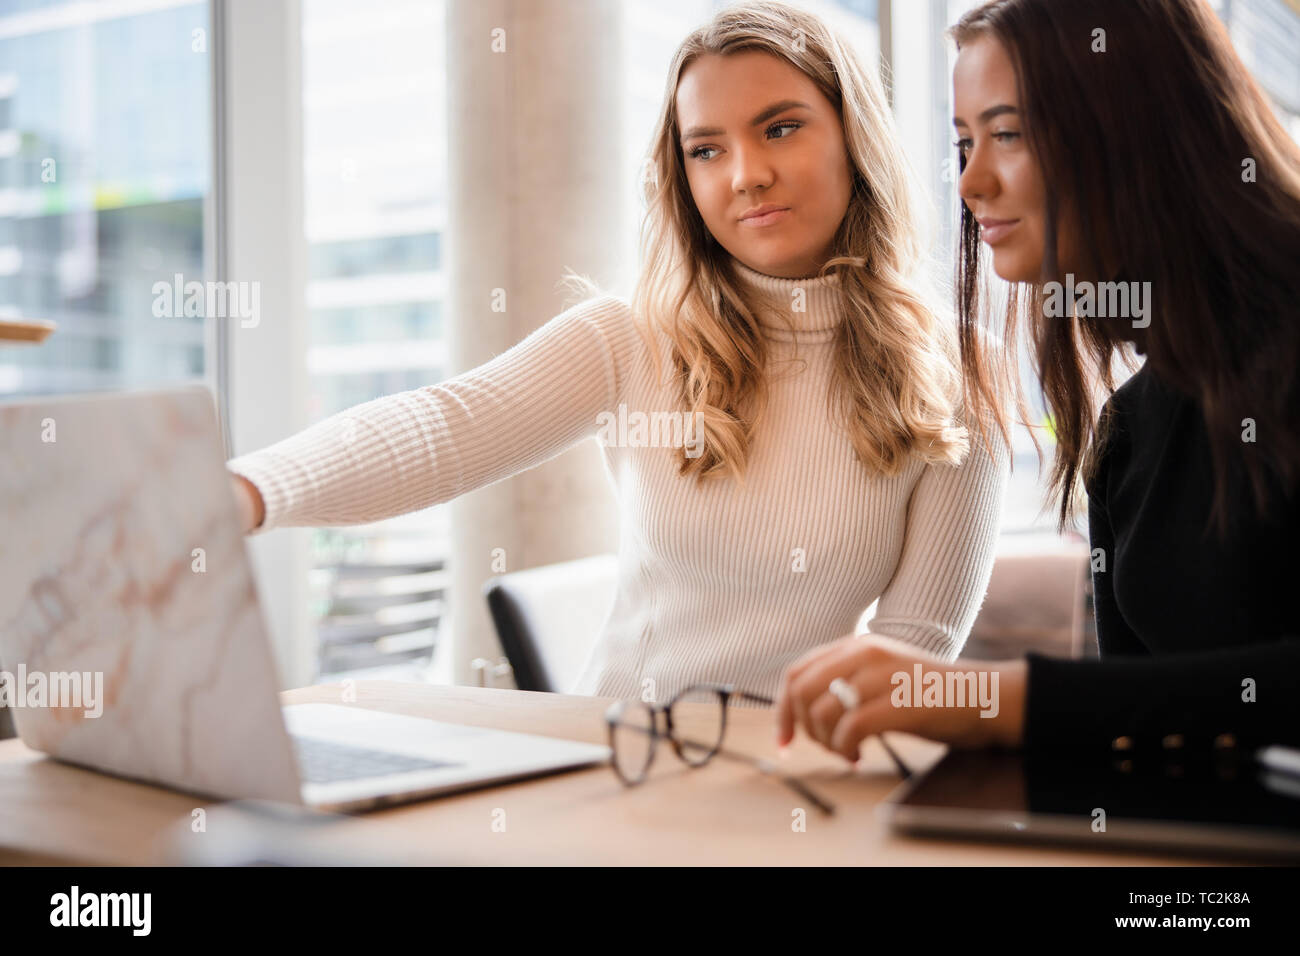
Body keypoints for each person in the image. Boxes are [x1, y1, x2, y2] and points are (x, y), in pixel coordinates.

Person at [226, 0, 1010, 704]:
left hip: (798, 783)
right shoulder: (631, 337)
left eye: (780, 127)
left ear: (854, 136)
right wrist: (243, 493)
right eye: (706, 149)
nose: (746, 175)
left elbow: (913, 651)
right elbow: (444, 430)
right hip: (609, 759)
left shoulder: (961, 371)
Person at [777, 0, 1300, 762]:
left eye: (1008, 133)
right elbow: (1134, 747)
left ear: (1134, 132)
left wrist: (997, 699)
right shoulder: (1133, 430)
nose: (971, 182)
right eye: (964, 142)